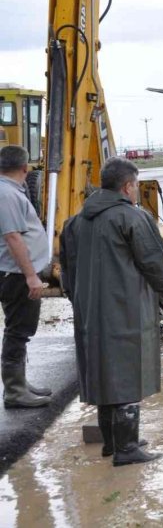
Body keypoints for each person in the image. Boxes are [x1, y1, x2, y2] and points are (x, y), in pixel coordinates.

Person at [60, 157, 163, 467]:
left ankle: (112, 442)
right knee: (128, 374)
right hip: (126, 311)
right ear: (128, 186)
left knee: (105, 374)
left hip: (90, 314)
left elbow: (66, 273)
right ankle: (128, 449)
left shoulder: (75, 223)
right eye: (135, 185)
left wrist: (81, 303)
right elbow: (155, 265)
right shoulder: (132, 218)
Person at [0, 146, 51, 408]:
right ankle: (15, 391)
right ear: (25, 168)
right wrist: (31, 276)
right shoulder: (7, 194)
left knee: (19, 329)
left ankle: (20, 383)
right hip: (17, 274)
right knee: (18, 330)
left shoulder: (9, 191)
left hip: (16, 272)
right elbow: (12, 236)